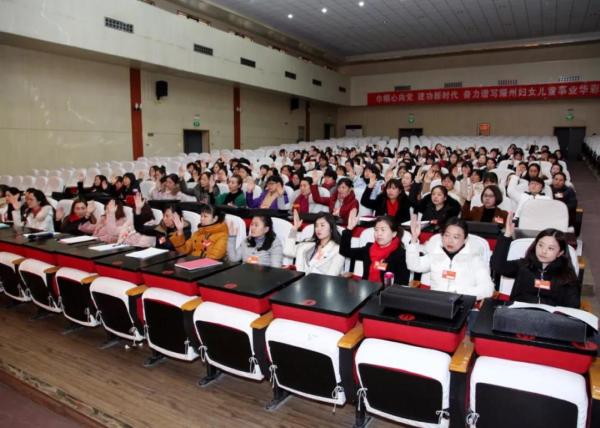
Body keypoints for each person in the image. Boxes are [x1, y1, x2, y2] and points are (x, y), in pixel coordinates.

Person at [491, 212, 580, 307]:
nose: (543, 251)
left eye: (550, 248)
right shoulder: (523, 265)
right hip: (518, 312)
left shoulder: (567, 275)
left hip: (549, 315)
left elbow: (573, 306)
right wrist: (507, 235)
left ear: (560, 253)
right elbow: (498, 266)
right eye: (540, 245)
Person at [406, 216, 495, 300]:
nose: (450, 241)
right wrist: (414, 238)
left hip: (461, 304)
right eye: (447, 235)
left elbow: (487, 289)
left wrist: (457, 293)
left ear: (465, 239)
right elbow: (414, 265)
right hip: (436, 302)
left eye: (456, 237)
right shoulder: (436, 254)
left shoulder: (474, 259)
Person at [340, 212, 410, 285]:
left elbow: (402, 282)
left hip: (388, 291)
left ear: (394, 234)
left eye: (383, 230)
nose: (379, 233)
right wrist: (349, 229)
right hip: (366, 288)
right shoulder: (369, 249)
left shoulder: (401, 255)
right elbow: (345, 251)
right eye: (376, 230)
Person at [122, 192, 191, 249]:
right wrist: (138, 210)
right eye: (163, 215)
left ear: (177, 216)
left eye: (167, 216)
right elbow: (140, 228)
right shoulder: (161, 227)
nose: (164, 219)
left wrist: (179, 231)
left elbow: (172, 247)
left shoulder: (185, 231)